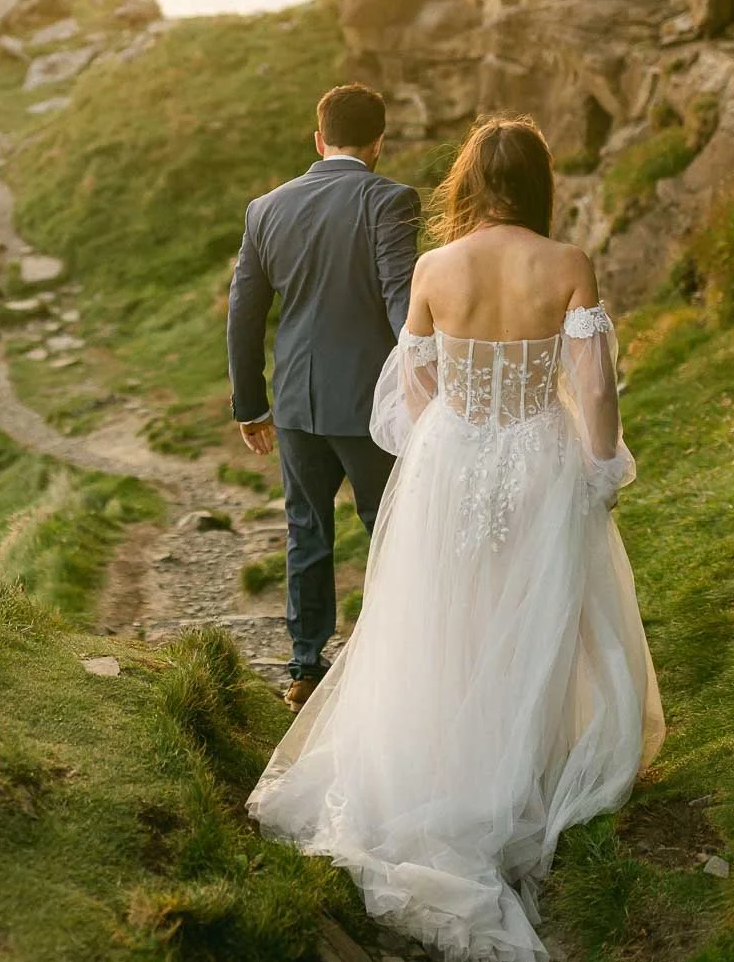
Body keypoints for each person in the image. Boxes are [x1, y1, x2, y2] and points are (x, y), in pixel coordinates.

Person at [246, 116, 665, 962]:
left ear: (470, 180)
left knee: (445, 616)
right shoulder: (567, 264)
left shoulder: (436, 266)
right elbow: (596, 387)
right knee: (538, 611)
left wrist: (460, 428)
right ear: (539, 181)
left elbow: (415, 374)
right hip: (539, 457)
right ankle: (520, 777)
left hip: (455, 458)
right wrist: (600, 467)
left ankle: (436, 766)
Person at [226, 83, 421, 713]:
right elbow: (401, 303)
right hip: (370, 406)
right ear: (379, 142)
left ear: (319, 138)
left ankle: (305, 666)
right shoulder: (390, 200)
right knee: (387, 527)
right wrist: (426, 385)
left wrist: (250, 404)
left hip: (294, 404)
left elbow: (244, 315)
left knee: (305, 529)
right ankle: (401, 659)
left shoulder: (265, 208)